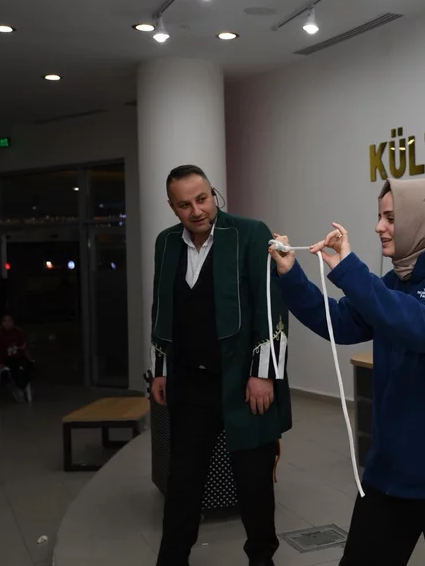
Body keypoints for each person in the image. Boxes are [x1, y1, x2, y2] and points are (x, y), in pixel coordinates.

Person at [269, 178, 425, 566]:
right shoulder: (398, 279)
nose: (379, 227)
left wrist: (350, 270)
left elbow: (420, 326)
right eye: (380, 217)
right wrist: (291, 275)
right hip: (393, 467)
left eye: (391, 218)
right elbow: (341, 322)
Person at [150, 165, 291, 566]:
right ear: (172, 207)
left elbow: (271, 306)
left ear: (213, 194)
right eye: (185, 205)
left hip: (244, 384)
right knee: (182, 481)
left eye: (202, 199)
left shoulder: (249, 234)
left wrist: (263, 375)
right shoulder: (166, 243)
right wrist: (160, 368)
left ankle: (261, 560)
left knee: (254, 482)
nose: (196, 211)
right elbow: (161, 308)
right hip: (191, 385)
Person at [0, 313, 33, 402]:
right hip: (6, 358)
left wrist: (24, 350)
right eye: (5, 321)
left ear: (13, 322)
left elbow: (23, 345)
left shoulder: (18, 332)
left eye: (10, 321)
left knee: (29, 365)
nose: (7, 323)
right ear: (1, 323)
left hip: (18, 355)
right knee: (15, 365)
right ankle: (18, 387)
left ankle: (21, 386)